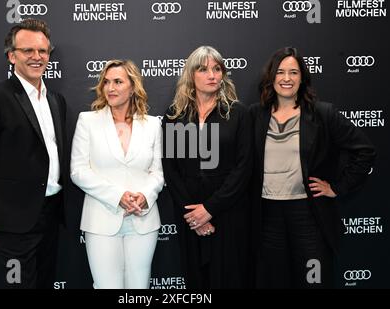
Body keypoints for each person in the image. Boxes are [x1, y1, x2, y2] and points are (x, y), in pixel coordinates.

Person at [250, 47, 376, 288]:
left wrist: (338, 187)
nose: (287, 78)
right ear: (271, 77)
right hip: (267, 217)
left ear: (302, 78)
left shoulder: (322, 113)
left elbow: (365, 151)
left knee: (313, 282)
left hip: (309, 216)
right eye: (281, 72)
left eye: (293, 72)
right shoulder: (255, 115)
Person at [0, 18, 67, 289]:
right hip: (13, 221)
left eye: (43, 51)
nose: (37, 57)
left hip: (51, 213)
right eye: (28, 51)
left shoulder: (56, 100)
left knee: (45, 282)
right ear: (12, 56)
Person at [161, 46, 252, 288]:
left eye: (217, 69)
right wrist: (194, 216)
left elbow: (244, 168)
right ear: (191, 75)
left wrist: (210, 209)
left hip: (228, 214)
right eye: (203, 69)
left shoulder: (238, 114)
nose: (212, 75)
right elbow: (170, 169)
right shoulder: (174, 116)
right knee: (196, 282)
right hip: (189, 216)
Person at [70, 59, 164, 289]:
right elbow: (78, 171)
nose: (110, 88)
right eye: (106, 82)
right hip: (102, 220)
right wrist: (118, 196)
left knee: (139, 287)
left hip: (143, 219)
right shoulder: (88, 121)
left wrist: (144, 195)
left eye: (118, 82)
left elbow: (158, 173)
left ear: (133, 87)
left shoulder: (152, 124)